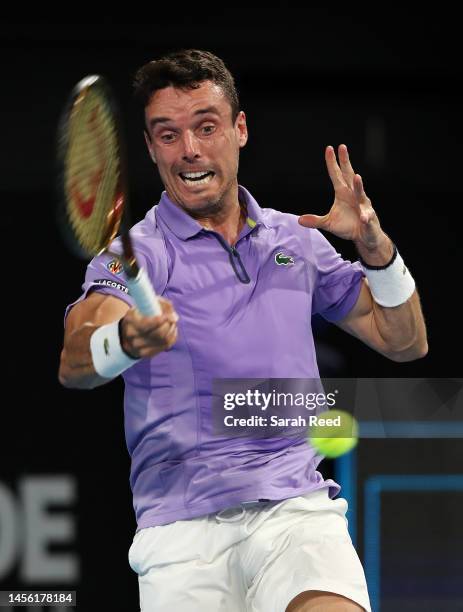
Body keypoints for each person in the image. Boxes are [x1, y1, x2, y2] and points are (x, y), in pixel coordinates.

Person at [59, 49, 428, 612]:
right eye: (168, 134)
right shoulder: (133, 256)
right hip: (181, 535)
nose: (189, 150)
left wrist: (377, 251)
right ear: (150, 147)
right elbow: (76, 359)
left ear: (240, 129)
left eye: (206, 127)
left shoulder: (297, 240)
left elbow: (406, 342)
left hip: (295, 515)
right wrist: (128, 339)